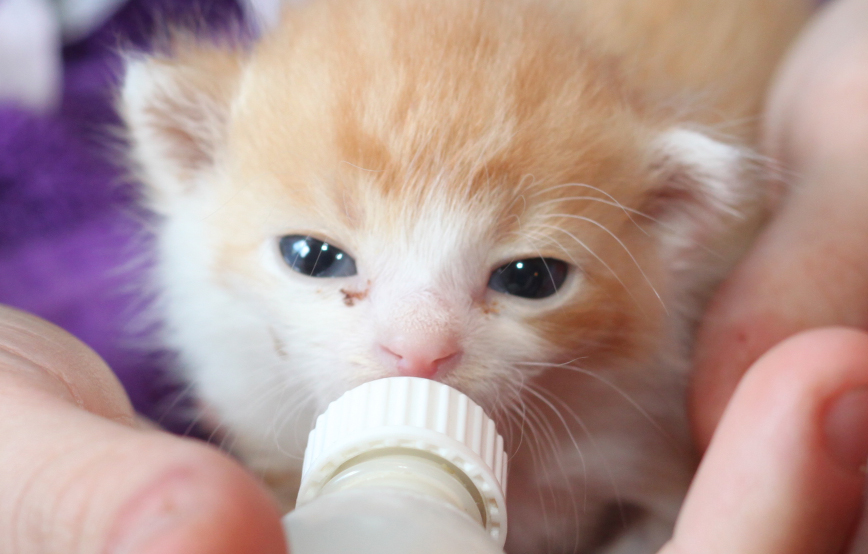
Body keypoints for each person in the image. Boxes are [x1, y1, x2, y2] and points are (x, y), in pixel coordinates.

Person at [0, 0, 865, 551]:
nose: (415, 347)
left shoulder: (632, 384)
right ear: (188, 156)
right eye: (319, 258)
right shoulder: (213, 295)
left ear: (670, 220)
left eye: (528, 275)